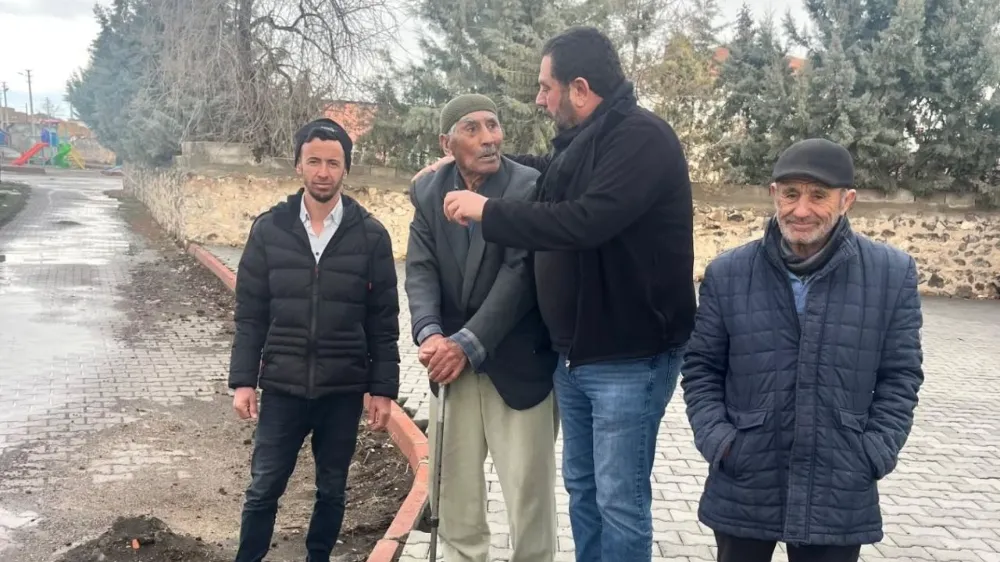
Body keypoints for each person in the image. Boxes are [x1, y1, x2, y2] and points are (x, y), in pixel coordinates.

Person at [429, 26, 697, 562]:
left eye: (545, 87)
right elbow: (547, 174)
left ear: (579, 88)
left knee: (619, 502)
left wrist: (488, 211)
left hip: (628, 358)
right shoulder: (585, 140)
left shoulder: (642, 139)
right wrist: (475, 162)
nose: (539, 99)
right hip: (574, 356)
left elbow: (584, 221)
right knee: (585, 492)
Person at [680, 138, 925, 562]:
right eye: (791, 194)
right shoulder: (728, 273)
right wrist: (720, 441)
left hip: (839, 481)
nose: (801, 209)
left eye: (818, 195)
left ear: (847, 200)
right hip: (746, 477)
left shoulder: (891, 273)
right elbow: (702, 368)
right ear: (774, 194)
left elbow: (901, 375)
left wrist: (875, 451)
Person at [227, 117, 401, 562]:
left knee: (332, 489)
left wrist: (382, 389)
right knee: (264, 487)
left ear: (346, 169)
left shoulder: (371, 236)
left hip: (342, 390)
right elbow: (250, 315)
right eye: (314, 161)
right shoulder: (269, 230)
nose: (323, 172)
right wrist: (244, 381)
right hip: (282, 387)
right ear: (298, 166)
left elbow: (384, 321)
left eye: (333, 163)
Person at [406, 93, 560, 562]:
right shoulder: (428, 192)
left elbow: (521, 275)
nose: (489, 138)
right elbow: (420, 268)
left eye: (493, 125)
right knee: (454, 494)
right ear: (446, 143)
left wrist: (466, 344)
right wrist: (430, 333)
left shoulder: (527, 187)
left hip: (518, 365)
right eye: (472, 128)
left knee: (529, 497)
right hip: (451, 369)